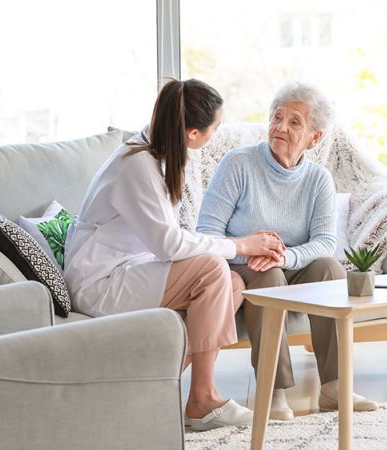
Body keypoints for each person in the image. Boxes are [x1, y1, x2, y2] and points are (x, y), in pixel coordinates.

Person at [64, 79, 284, 431]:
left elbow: (168, 241)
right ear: (193, 134)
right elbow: (168, 245)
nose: (216, 134)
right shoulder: (136, 166)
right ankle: (203, 399)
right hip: (100, 284)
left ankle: (150, 388)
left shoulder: (153, 156)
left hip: (128, 271)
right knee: (214, 270)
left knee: (232, 284)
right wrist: (240, 245)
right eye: (215, 128)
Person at [196, 81, 379, 420]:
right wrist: (251, 252)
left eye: (294, 122)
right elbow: (206, 234)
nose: (280, 126)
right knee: (268, 274)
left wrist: (286, 256)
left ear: (314, 137)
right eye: (277, 117)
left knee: (329, 269)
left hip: (290, 263)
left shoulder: (319, 179)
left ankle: (335, 386)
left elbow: (325, 242)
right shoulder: (239, 164)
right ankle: (274, 391)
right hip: (241, 264)